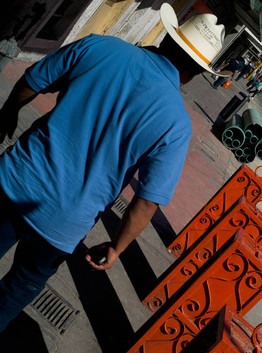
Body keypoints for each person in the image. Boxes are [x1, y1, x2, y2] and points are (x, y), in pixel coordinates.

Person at [0, 4, 229, 333]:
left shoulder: (101, 46)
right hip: (63, 226)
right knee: (14, 291)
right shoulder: (176, 125)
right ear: (197, 72)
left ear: (168, 37)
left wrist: (9, 112)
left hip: (15, 180)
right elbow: (147, 201)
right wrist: (117, 247)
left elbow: (33, 79)